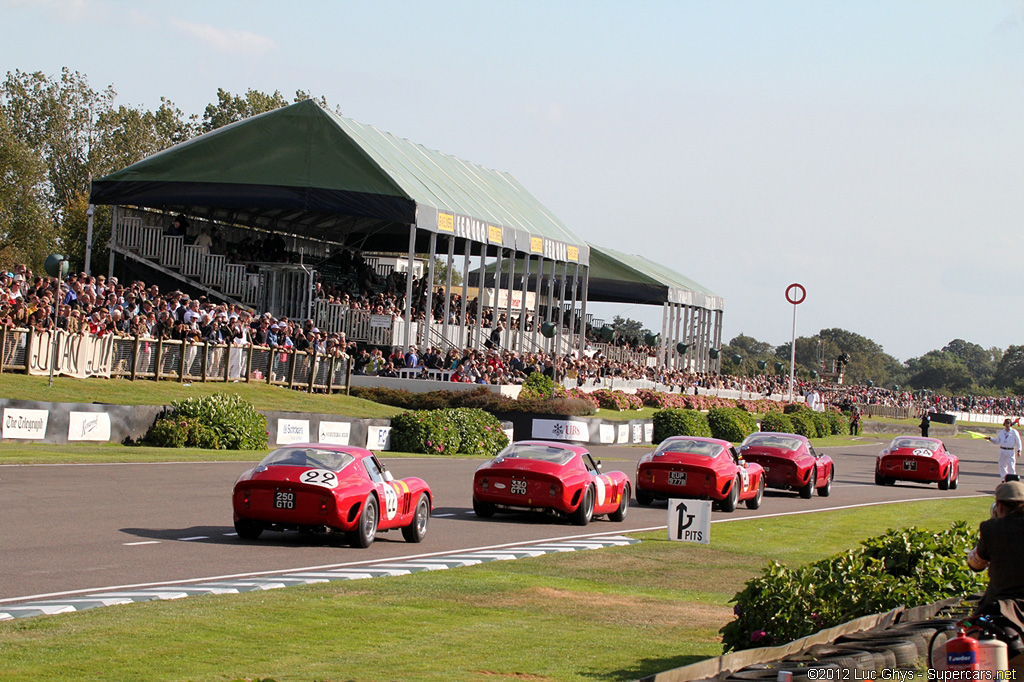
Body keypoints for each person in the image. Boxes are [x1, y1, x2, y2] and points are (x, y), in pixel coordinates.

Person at [967, 481, 1024, 666]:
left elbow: (976, 564)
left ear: (999, 505)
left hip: (1002, 607)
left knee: (967, 631)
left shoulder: (992, 528)